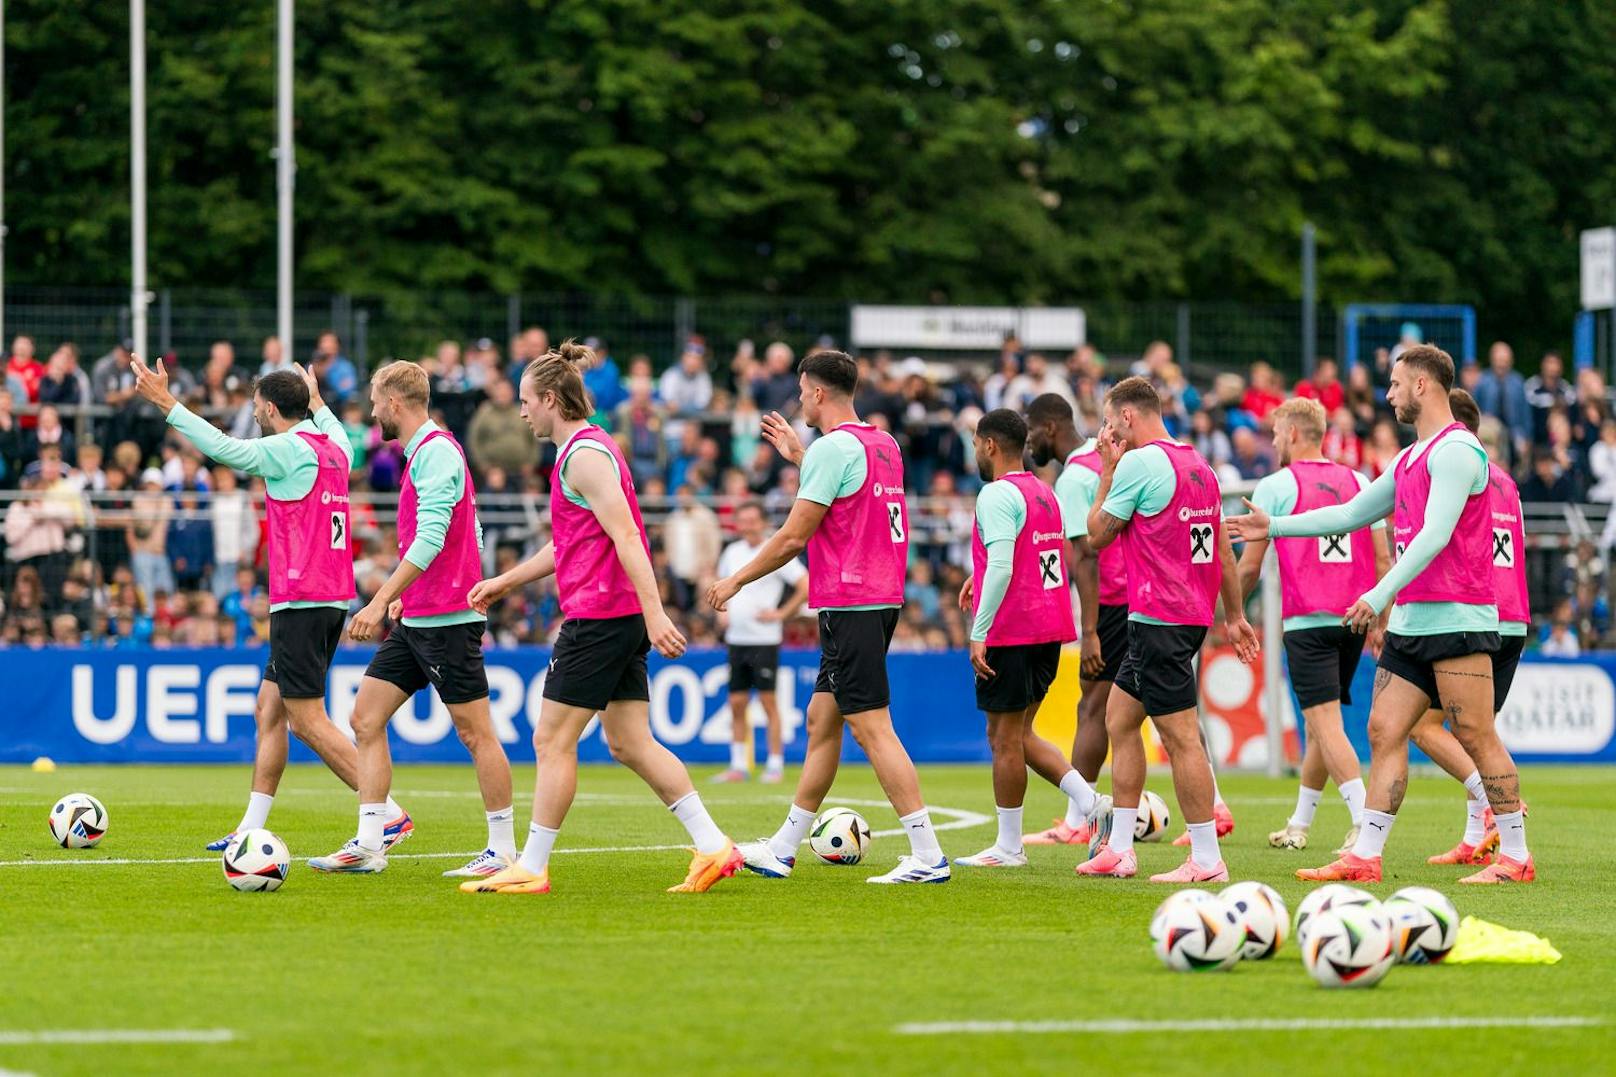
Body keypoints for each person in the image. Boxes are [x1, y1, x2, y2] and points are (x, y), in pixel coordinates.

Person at [1228, 345, 1533, 884]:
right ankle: (1365, 857)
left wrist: (1378, 592)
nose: (1387, 394)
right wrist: (1272, 526)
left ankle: (1515, 856)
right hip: (1415, 620)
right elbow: (1349, 513)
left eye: (1395, 384)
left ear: (1422, 386)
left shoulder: (1459, 450)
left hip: (1459, 617)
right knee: (1383, 730)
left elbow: (1436, 535)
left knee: (1476, 733)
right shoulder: (1411, 457)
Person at [459, 342, 741, 895]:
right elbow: (570, 545)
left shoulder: (584, 456)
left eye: (525, 403)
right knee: (630, 743)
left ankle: (533, 866)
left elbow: (629, 535)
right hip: (615, 613)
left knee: (551, 740)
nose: (521, 413)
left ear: (548, 399)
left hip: (602, 617)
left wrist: (655, 612)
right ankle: (713, 847)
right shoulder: (585, 451)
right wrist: (504, 580)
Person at [128, 354, 410, 851]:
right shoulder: (337, 447)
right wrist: (318, 399)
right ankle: (251, 827)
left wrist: (166, 402)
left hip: (303, 597)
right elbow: (324, 421)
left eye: (258, 407)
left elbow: (223, 448)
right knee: (269, 709)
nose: (255, 415)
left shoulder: (285, 449)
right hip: (327, 595)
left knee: (306, 720)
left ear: (274, 410)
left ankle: (386, 813)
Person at [707, 349, 952, 884]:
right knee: (823, 720)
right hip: (879, 597)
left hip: (852, 601)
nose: (797, 400)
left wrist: (735, 579)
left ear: (818, 393)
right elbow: (852, 500)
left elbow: (795, 535)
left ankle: (928, 855)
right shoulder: (881, 443)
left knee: (871, 728)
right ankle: (784, 846)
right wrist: (801, 458)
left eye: (801, 391)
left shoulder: (831, 449)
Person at [310, 361, 516, 880]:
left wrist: (380, 599)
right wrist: (413, 595)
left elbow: (435, 534)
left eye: (377, 401)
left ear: (396, 403)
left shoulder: (435, 452)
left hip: (447, 620)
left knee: (476, 734)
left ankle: (503, 849)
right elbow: (472, 528)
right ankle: (371, 842)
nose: (373, 410)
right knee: (365, 718)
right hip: (424, 614)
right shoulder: (429, 453)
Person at [1074, 376, 1259, 883]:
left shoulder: (1137, 463)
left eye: (1110, 423)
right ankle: (1119, 846)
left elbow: (1094, 536)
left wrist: (1107, 472)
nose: (1107, 433)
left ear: (1129, 417)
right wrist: (1235, 613)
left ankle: (1206, 858)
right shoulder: (1197, 463)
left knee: (1180, 739)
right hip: (1184, 615)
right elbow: (1219, 545)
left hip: (1160, 618)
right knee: (1119, 719)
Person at [953, 409, 1109, 868]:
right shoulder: (1044, 491)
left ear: (989, 445)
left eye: (976, 444)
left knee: (1003, 739)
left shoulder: (996, 494)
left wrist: (979, 631)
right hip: (1049, 627)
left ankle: (1008, 847)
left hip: (1013, 629)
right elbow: (1027, 555)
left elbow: (1003, 563)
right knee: (1020, 734)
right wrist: (976, 576)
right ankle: (1092, 804)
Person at [1234, 398, 1388, 854]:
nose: (1275, 441)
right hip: (1355, 617)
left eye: (1278, 433)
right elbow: (1383, 557)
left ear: (1295, 434)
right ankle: (1299, 824)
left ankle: (1365, 821)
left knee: (1323, 723)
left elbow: (1250, 567)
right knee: (1321, 722)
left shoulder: (1275, 486)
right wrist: (1382, 617)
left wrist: (1231, 612)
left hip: (1308, 620)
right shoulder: (1360, 480)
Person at [1408, 389, 1532, 866]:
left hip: (1471, 613)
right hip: (1512, 612)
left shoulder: (1450, 470)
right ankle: (1474, 834)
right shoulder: (1505, 481)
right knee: (1478, 730)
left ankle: (1493, 809)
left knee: (1426, 725)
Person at [1021, 393, 1122, 846]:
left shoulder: (1075, 477)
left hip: (1112, 603)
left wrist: (1090, 631)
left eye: (1030, 431)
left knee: (1093, 706)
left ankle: (1078, 822)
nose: (1027, 443)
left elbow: (1085, 558)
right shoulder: (1097, 464)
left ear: (1048, 429)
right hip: (1134, 597)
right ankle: (1214, 804)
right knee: (1165, 706)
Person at [710, 500, 809, 784]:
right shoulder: (732, 552)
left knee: (768, 702)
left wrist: (781, 614)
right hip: (736, 639)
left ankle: (775, 763)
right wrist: (720, 615)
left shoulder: (774, 551)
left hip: (764, 640)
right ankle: (739, 764)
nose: (748, 525)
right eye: (743, 520)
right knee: (737, 702)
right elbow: (722, 585)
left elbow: (805, 584)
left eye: (753, 519)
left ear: (763, 522)